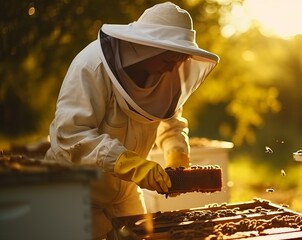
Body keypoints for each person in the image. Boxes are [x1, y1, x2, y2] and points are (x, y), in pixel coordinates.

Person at [44, 2, 219, 239]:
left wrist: (177, 153)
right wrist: (131, 165)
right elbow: (72, 135)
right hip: (77, 191)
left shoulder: (168, 71)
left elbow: (171, 120)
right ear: (147, 48)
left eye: (180, 60)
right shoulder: (91, 67)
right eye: (169, 60)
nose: (173, 68)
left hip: (126, 192)